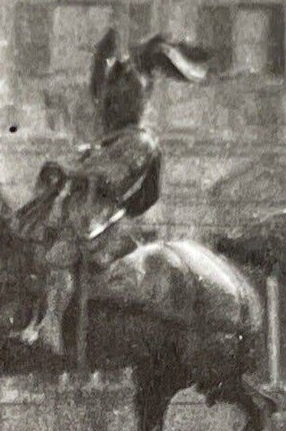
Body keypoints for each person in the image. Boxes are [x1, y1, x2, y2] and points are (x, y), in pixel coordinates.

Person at [16, 28, 207, 354]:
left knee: (61, 254)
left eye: (115, 103)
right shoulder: (110, 139)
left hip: (101, 213)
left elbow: (111, 176)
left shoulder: (139, 141)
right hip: (77, 205)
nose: (108, 109)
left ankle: (50, 325)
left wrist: (74, 171)